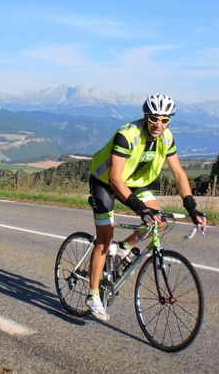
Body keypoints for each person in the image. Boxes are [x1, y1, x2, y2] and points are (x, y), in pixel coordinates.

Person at [86, 93, 207, 321]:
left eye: (164, 120)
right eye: (154, 119)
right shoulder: (127, 135)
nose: (159, 125)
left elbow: (179, 173)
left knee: (159, 221)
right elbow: (115, 180)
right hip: (105, 182)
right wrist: (140, 208)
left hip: (135, 182)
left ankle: (123, 248)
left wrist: (192, 207)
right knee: (104, 238)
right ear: (146, 116)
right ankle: (93, 296)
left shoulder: (167, 137)